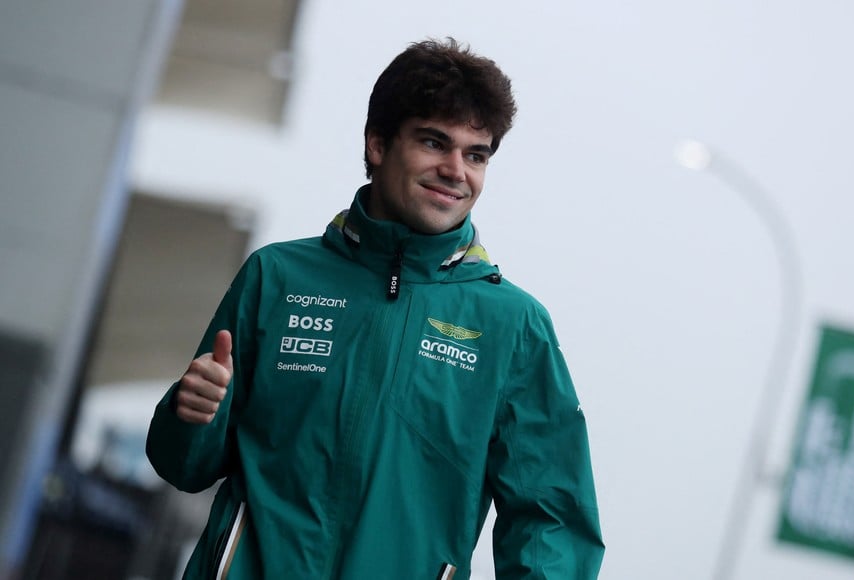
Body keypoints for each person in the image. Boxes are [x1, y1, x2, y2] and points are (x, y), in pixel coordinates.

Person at [146, 37, 604, 579]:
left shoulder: (514, 327)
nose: (457, 170)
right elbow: (184, 466)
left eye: (475, 154)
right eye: (435, 143)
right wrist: (193, 413)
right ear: (379, 145)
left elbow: (551, 516)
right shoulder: (277, 277)